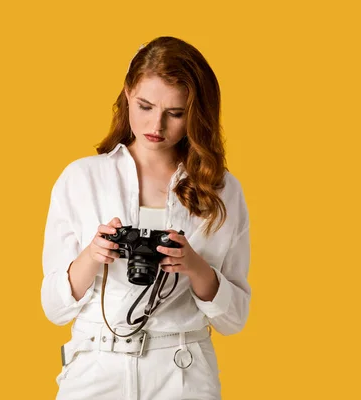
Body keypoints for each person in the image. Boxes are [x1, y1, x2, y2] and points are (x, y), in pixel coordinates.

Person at [41, 36, 251, 400]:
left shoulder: (220, 190)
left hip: (183, 373)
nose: (157, 124)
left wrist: (193, 265)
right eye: (145, 106)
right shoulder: (81, 178)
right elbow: (54, 308)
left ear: (195, 113)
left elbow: (234, 319)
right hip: (94, 369)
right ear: (127, 94)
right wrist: (93, 255)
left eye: (175, 113)